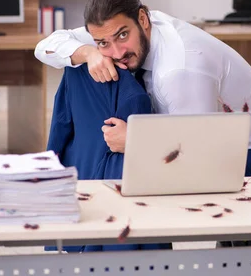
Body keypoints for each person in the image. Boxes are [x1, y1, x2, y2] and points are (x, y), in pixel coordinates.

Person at [35, 0, 251, 247]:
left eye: (122, 36)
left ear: (143, 19)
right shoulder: (117, 32)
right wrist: (88, 53)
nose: (117, 52)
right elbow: (46, 46)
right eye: (103, 42)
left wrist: (134, 142)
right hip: (204, 134)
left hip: (249, 149)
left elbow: (197, 147)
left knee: (242, 256)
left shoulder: (179, 70)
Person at [45, 62, 172, 252]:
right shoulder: (134, 96)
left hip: (80, 183)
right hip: (116, 195)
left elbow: (59, 130)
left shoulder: (74, 69)